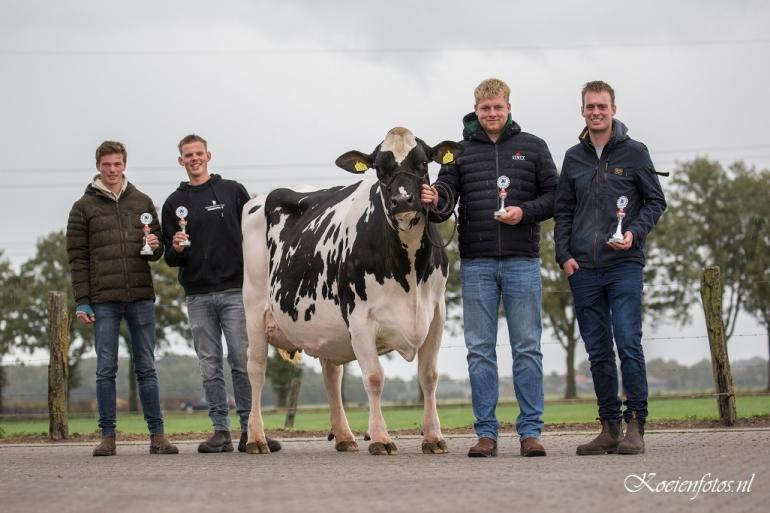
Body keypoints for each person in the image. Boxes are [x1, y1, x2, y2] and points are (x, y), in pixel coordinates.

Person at [421, 78, 557, 457]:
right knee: (480, 350)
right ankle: (486, 434)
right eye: (485, 108)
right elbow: (445, 201)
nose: (492, 113)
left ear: (508, 108)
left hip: (522, 261)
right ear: (476, 111)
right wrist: (433, 198)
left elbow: (555, 197)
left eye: (498, 107)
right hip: (477, 263)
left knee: (527, 348)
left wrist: (523, 212)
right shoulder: (458, 153)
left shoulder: (533, 147)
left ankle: (530, 433)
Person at [554, 81, 666, 455]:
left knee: (628, 342)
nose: (596, 112)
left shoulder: (635, 152)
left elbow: (655, 202)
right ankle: (609, 428)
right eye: (590, 107)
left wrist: (633, 233)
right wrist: (564, 255)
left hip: (624, 265)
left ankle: (636, 425)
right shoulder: (573, 157)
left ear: (613, 109)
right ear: (582, 111)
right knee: (598, 350)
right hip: (583, 269)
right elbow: (563, 210)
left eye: (602, 106)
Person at [162, 134, 281, 454]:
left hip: (236, 292)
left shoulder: (233, 191)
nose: (194, 159)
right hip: (197, 296)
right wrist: (175, 248)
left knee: (242, 361)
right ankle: (220, 432)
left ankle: (250, 429)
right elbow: (169, 257)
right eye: (188, 155)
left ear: (208, 156)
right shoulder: (173, 203)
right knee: (209, 366)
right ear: (181, 161)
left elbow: (256, 236)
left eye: (198, 153)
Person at [67, 140, 178, 457]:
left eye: (117, 164)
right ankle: (108, 436)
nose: (112, 170)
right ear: (98, 167)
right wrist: (82, 300)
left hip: (140, 295)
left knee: (147, 368)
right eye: (107, 165)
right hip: (103, 300)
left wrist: (155, 245)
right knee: (106, 369)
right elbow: (78, 258)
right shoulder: (82, 208)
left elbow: (156, 252)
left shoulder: (142, 201)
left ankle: (158, 435)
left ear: (124, 165)